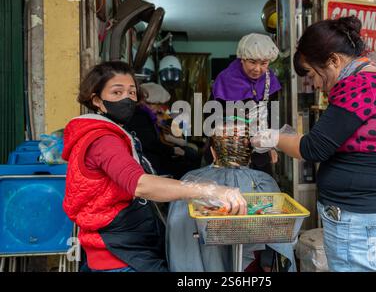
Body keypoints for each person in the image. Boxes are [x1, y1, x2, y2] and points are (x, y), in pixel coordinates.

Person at [251, 16, 376, 272]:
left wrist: (274, 138)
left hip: (358, 222)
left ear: (334, 60)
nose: (315, 84)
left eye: (312, 74)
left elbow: (314, 148)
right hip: (360, 219)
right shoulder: (369, 81)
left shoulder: (360, 85)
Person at [61, 61, 247, 272]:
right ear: (97, 100)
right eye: (117, 92)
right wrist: (208, 190)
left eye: (132, 92)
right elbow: (139, 184)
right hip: (120, 255)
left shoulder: (111, 132)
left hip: (125, 247)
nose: (127, 98)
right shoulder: (103, 140)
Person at [166, 120, 297, 272]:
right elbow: (278, 236)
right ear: (249, 154)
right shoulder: (264, 182)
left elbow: (180, 236)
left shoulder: (191, 181)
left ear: (213, 152)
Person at [206, 33, 281, 175]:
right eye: (252, 62)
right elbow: (211, 118)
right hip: (229, 149)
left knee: (260, 188)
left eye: (263, 63)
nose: (257, 69)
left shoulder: (270, 80)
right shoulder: (225, 79)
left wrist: (271, 146)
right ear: (242, 59)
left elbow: (269, 116)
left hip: (260, 149)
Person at [125, 82, 201, 179]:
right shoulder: (140, 117)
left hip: (153, 157)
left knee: (190, 154)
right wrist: (172, 150)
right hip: (150, 163)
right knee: (191, 157)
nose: (160, 108)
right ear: (150, 103)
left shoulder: (144, 115)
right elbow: (150, 143)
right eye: (158, 104)